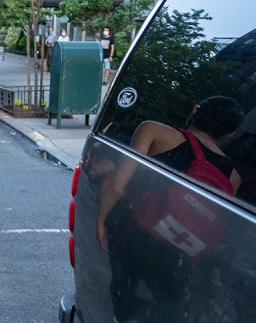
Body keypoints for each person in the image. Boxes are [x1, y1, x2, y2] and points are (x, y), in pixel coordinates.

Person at [96, 96, 243, 322]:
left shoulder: (155, 131)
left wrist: (101, 221)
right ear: (230, 133)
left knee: (124, 293)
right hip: (180, 252)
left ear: (195, 110)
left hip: (134, 235)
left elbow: (116, 186)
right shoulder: (233, 177)